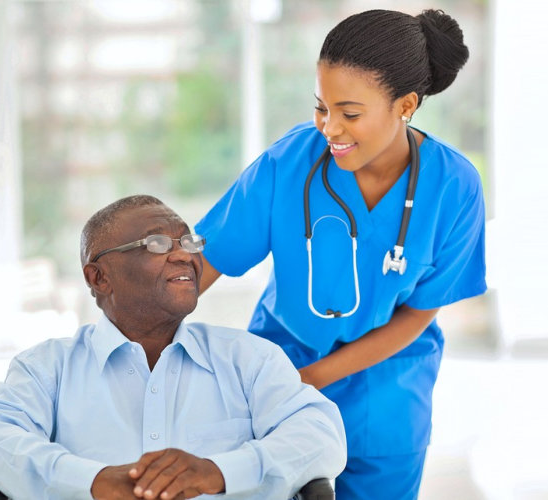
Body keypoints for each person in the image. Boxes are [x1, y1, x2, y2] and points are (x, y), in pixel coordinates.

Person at [195, 9, 485, 500]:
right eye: (320, 107)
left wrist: (313, 378)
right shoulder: (288, 164)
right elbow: (204, 263)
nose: (330, 128)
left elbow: (418, 315)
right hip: (279, 375)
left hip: (386, 391)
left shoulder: (454, 187)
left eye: (350, 114)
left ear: (406, 105)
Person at [0, 195, 346, 500]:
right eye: (158, 243)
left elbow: (319, 435)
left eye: (188, 241)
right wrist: (94, 482)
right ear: (99, 277)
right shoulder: (47, 367)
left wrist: (218, 472)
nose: (184, 254)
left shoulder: (248, 358)